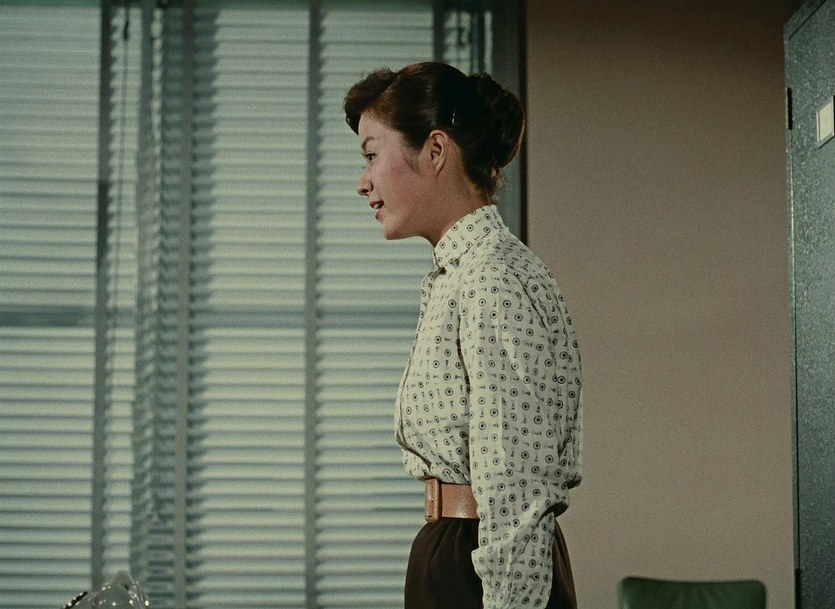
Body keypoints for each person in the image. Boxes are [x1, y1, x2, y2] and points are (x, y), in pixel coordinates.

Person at [343, 61, 583, 609]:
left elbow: (518, 486)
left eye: (372, 155)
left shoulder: (492, 279)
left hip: (478, 565)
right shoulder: (460, 277)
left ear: (435, 150)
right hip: (455, 556)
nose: (363, 182)